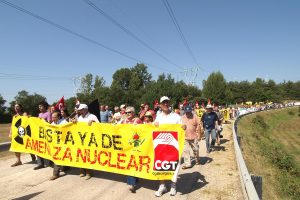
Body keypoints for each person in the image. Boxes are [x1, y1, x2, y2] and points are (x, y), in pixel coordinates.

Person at [153, 96, 186, 197]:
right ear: (160, 105)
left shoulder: (176, 116)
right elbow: (152, 129)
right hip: (161, 147)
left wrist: (184, 127)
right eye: (164, 103)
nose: (166, 104)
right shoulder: (158, 117)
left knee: (174, 166)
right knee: (160, 165)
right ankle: (162, 185)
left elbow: (182, 128)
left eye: (167, 102)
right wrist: (154, 125)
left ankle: (173, 185)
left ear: (169, 103)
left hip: (173, 146)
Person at [72, 103, 99, 180]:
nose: (80, 111)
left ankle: (89, 172)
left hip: (90, 139)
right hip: (81, 139)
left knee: (87, 155)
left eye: (81, 110)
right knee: (81, 155)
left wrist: (93, 122)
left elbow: (99, 126)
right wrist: (74, 122)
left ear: (86, 109)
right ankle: (82, 170)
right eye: (80, 110)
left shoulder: (92, 116)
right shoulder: (80, 117)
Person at [120, 106, 143, 192]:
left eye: (129, 112)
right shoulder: (124, 121)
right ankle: (133, 181)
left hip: (135, 146)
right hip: (126, 146)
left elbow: (144, 131)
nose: (127, 114)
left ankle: (132, 182)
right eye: (126, 113)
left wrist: (138, 127)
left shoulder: (137, 121)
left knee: (133, 163)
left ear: (133, 113)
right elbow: (117, 129)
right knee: (130, 163)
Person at [49, 111, 69, 180]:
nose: (52, 119)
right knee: (57, 157)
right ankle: (57, 172)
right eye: (52, 117)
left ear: (58, 117)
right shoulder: (53, 123)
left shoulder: (64, 123)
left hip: (64, 143)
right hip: (56, 144)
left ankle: (58, 172)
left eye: (54, 117)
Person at [34, 101, 51, 170]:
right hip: (39, 134)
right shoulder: (39, 114)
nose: (39, 108)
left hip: (46, 134)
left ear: (44, 106)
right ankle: (40, 163)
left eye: (41, 106)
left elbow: (49, 123)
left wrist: (43, 120)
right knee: (38, 147)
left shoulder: (48, 113)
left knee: (48, 148)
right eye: (39, 106)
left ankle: (51, 161)